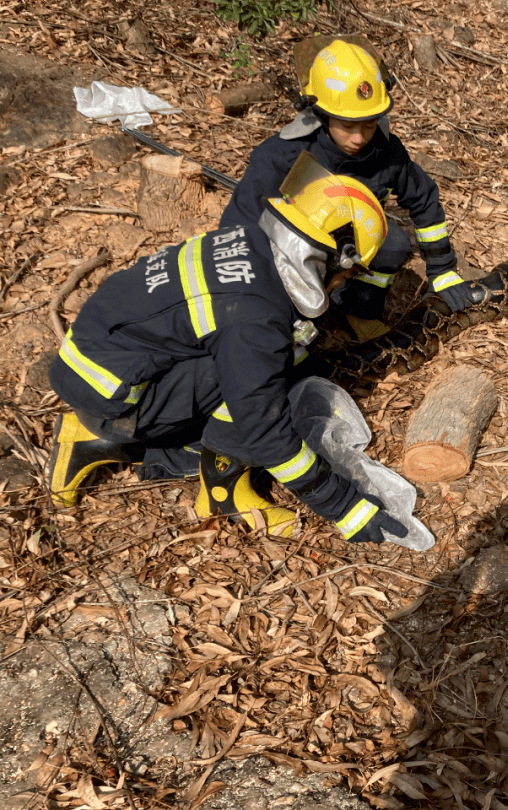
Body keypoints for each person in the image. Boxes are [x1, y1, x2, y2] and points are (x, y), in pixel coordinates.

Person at [47, 151, 409, 544]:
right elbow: (263, 428)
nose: (341, 284)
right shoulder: (256, 318)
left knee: (270, 366)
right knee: (265, 389)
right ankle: (223, 498)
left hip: (97, 368)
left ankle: (93, 437)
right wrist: (346, 508)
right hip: (114, 397)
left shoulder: (251, 240)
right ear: (327, 256)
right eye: (347, 273)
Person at [219, 37, 478, 341]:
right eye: (348, 125)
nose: (359, 138)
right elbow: (238, 228)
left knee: (394, 244)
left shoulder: (387, 153)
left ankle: (357, 308)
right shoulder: (282, 156)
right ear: (322, 114)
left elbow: (423, 200)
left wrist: (442, 270)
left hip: (348, 250)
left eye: (369, 124)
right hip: (293, 255)